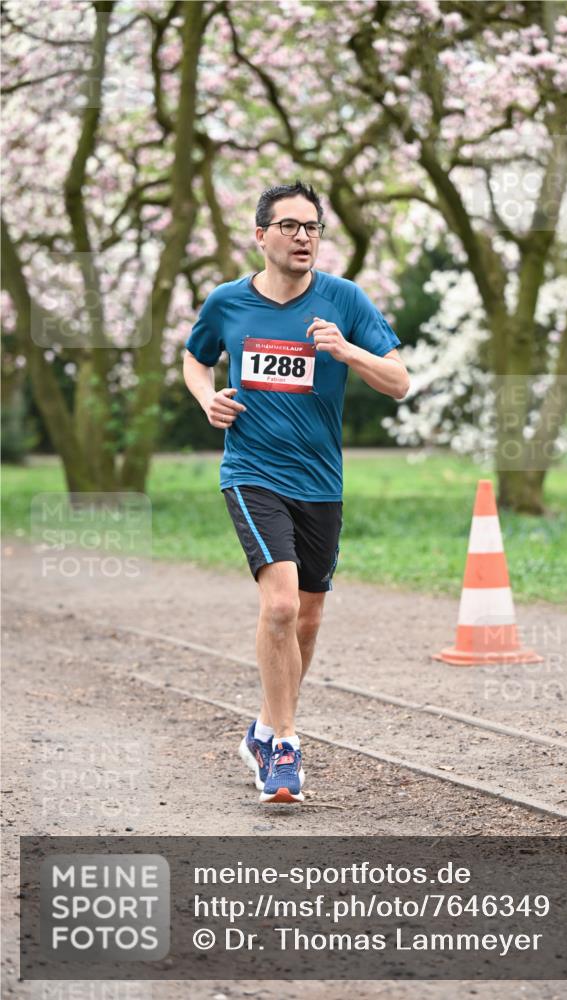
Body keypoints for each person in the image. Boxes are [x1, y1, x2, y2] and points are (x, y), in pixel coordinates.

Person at [183, 180, 409, 804]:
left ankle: (261, 727)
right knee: (280, 606)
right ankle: (284, 747)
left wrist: (348, 349)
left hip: (321, 482)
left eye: (312, 227)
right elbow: (193, 358)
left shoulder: (345, 300)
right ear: (261, 236)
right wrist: (209, 399)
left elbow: (399, 382)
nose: (304, 237)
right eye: (290, 226)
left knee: (307, 617)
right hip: (252, 474)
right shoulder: (228, 302)